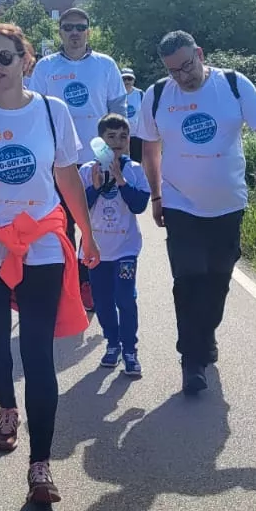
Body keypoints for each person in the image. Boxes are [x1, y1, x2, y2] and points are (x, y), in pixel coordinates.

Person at [0, 22, 97, 504]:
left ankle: (40, 465)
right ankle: (7, 409)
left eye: (5, 57)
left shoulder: (53, 112)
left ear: (26, 60)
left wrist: (89, 235)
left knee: (38, 354)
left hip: (39, 243)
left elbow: (67, 177)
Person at [135, 30, 256, 395]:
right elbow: (150, 151)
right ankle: (192, 359)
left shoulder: (232, 84)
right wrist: (156, 197)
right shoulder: (156, 96)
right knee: (188, 279)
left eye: (187, 65)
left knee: (217, 280)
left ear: (199, 54)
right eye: (174, 71)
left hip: (228, 204)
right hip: (180, 203)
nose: (183, 76)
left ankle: (206, 333)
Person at [29, 8, 125, 310]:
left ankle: (88, 283)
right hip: (59, 160)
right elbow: (35, 113)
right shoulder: (45, 67)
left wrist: (121, 158)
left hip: (97, 156)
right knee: (63, 225)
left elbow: (117, 113)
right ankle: (65, 284)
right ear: (60, 31)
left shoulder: (105, 65)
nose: (74, 32)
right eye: (68, 27)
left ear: (89, 31)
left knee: (94, 226)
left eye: (80, 27)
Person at [83, 113, 150, 377]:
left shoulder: (134, 169)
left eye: (123, 136)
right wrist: (96, 187)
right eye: (111, 136)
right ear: (100, 140)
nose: (117, 142)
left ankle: (130, 350)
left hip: (125, 249)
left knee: (125, 297)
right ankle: (112, 344)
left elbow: (139, 205)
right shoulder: (87, 170)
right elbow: (79, 206)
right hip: (96, 250)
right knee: (102, 300)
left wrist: (121, 181)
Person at [120, 69, 143, 160]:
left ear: (133, 80)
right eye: (124, 79)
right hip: (120, 136)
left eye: (129, 79)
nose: (127, 81)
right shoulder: (115, 95)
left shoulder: (140, 94)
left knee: (137, 163)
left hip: (137, 135)